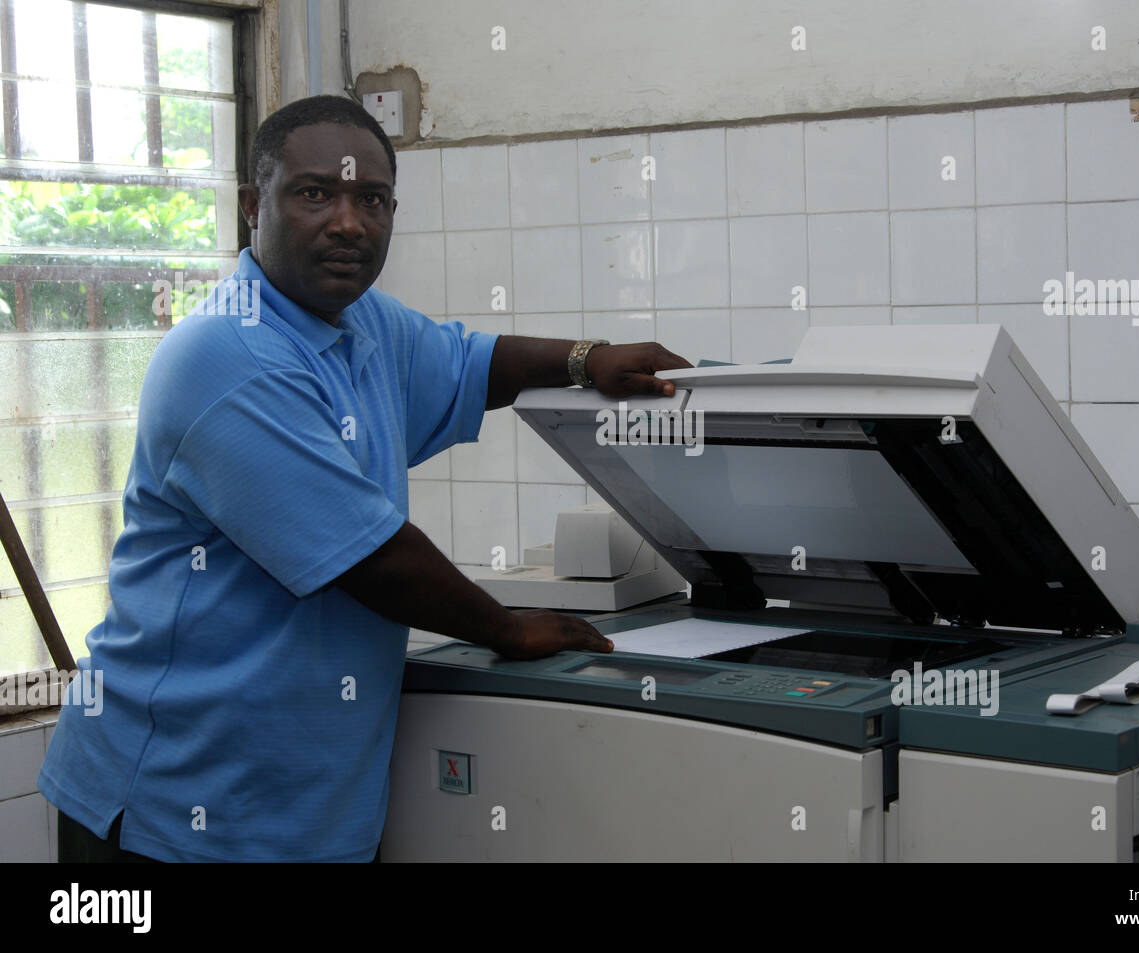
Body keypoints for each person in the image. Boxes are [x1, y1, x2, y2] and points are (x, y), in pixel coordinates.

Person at [39, 94, 691, 863]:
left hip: (308, 815)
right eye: (316, 193)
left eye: (373, 200)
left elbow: (476, 361)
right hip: (167, 807)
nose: (349, 222)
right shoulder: (226, 356)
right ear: (254, 206)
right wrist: (507, 627)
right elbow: (373, 559)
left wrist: (588, 360)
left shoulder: (364, 325)